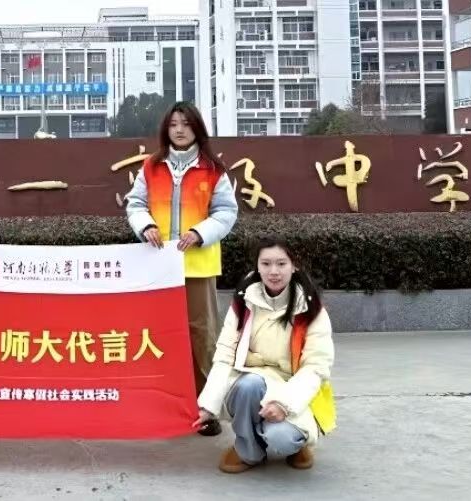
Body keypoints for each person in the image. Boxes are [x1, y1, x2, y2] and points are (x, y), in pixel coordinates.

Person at [124, 101, 238, 436]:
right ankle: (163, 405)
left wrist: (200, 233)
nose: (179, 130)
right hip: (158, 268)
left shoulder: (212, 170)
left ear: (197, 128)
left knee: (203, 336)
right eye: (173, 124)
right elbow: (136, 204)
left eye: (186, 124)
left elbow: (226, 212)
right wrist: (145, 226)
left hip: (197, 266)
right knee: (158, 336)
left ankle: (207, 409)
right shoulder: (151, 166)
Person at [193, 237, 336, 473]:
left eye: (281, 264)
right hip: (251, 379)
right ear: (257, 266)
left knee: (282, 438)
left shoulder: (310, 309)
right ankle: (248, 450)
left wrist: (283, 404)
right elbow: (225, 354)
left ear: (294, 265)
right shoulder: (244, 301)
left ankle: (295, 444)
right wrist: (208, 405)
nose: (274, 271)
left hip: (292, 386)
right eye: (266, 264)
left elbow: (316, 366)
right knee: (248, 386)